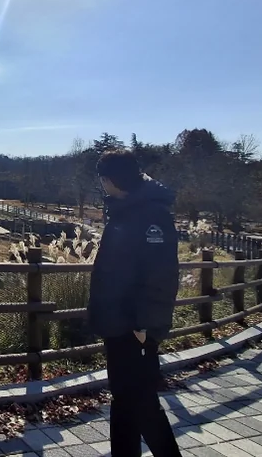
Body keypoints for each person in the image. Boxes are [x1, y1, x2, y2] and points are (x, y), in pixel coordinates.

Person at [87, 150, 182, 457]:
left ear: (110, 179)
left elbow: (160, 275)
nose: (102, 184)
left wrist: (143, 324)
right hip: (118, 322)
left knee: (142, 401)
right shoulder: (126, 209)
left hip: (134, 325)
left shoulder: (150, 215)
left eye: (103, 178)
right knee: (125, 398)